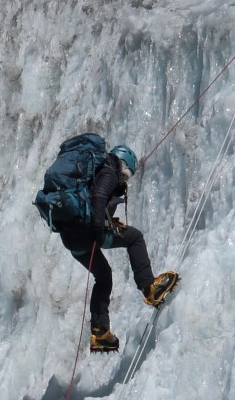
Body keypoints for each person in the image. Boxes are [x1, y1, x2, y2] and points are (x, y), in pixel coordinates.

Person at [52, 142, 176, 353]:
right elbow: (99, 196)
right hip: (89, 233)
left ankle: (100, 333)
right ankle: (150, 288)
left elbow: (95, 200)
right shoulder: (108, 171)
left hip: (71, 239)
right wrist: (99, 230)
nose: (124, 180)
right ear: (124, 165)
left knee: (104, 276)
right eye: (126, 175)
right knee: (134, 238)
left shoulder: (92, 173)